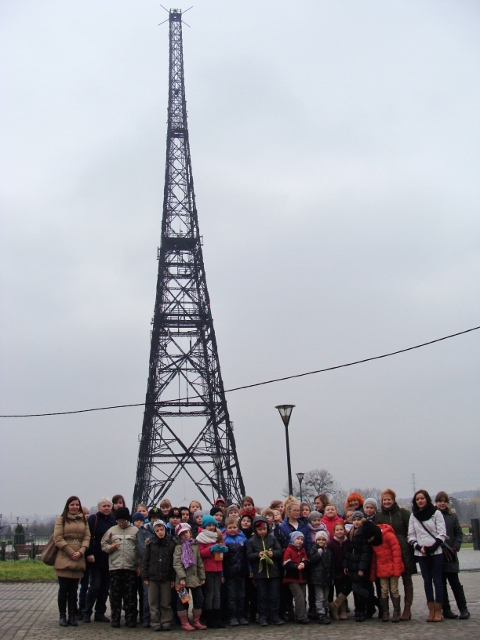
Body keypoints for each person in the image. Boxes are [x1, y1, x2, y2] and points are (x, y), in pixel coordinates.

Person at [375, 488, 416, 620]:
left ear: (393, 500)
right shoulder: (379, 516)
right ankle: (389, 611)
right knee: (388, 584)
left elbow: (411, 530)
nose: (387, 502)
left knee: (406, 579)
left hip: (404, 550)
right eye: (384, 500)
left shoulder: (403, 513)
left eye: (389, 499)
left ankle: (407, 609)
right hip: (387, 553)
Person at [408, 489, 446, 622]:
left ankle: (438, 609)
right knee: (427, 581)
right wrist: (418, 546)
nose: (420, 501)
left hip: (436, 551)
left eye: (422, 498)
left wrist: (433, 546)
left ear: (427, 499)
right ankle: (431, 609)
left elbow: (442, 532)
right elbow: (411, 535)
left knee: (437, 580)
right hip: (421, 552)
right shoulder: (413, 516)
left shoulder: (436, 513)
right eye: (417, 499)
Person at [53, 496, 90, 627]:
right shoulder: (61, 520)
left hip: (78, 557)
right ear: (67, 506)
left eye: (77, 505)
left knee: (74, 589)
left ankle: (72, 615)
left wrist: (81, 551)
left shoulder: (84, 521)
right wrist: (70, 551)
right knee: (63, 589)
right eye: (72, 504)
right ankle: (62, 615)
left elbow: (87, 537)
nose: (75, 507)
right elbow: (57, 538)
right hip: (64, 557)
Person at [101, 507, 140, 628]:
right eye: (119, 521)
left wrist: (139, 565)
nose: (121, 523)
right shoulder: (112, 530)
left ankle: (130, 617)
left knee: (131, 594)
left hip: (130, 567)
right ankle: (115, 617)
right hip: (115, 567)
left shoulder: (135, 531)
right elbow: (103, 544)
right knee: (115, 594)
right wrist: (110, 548)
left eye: (123, 520)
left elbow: (141, 549)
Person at [435, 491, 470, 619]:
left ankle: (463, 608)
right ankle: (446, 609)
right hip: (437, 554)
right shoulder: (432, 516)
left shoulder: (452, 517)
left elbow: (458, 533)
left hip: (451, 554)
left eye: (444, 501)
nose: (442, 503)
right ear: (436, 502)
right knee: (441, 583)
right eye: (440, 501)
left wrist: (455, 547)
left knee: (455, 583)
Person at [82, 497, 116, 623]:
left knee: (105, 587)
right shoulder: (93, 519)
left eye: (108, 506)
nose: (106, 508)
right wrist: (89, 552)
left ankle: (100, 613)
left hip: (109, 558)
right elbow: (88, 536)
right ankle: (86, 611)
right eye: (104, 506)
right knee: (95, 586)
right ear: (99, 507)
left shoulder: (113, 520)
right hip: (95, 558)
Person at [247, 516, 284, 627]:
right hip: (260, 573)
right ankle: (263, 616)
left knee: (274, 595)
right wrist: (258, 555)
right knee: (262, 596)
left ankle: (274, 616)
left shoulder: (272, 539)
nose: (262, 531)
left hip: (273, 572)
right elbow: (248, 555)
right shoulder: (252, 541)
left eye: (264, 529)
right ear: (255, 530)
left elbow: (279, 551)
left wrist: (273, 554)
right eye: (260, 530)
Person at [142, 519, 176, 631]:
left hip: (166, 576)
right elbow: (145, 561)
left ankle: (166, 621)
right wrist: (145, 576)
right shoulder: (150, 543)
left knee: (166, 601)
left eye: (162, 529)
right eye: (157, 530)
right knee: (153, 602)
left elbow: (173, 562)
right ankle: (155, 621)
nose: (160, 532)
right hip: (153, 577)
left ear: (165, 530)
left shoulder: (171, 544)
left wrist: (172, 578)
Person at [368, 519, 404, 622]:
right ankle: (385, 611)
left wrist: (397, 570)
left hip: (392, 568)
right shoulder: (374, 541)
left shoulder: (388, 535)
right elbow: (374, 560)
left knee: (394, 589)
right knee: (383, 590)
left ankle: (396, 611)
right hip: (382, 569)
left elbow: (396, 553)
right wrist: (372, 575)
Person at [172, 523, 206, 631]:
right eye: (182, 534)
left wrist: (202, 577)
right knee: (183, 601)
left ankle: (196, 620)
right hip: (182, 579)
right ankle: (184, 622)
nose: (185, 535)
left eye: (186, 532)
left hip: (194, 578)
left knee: (199, 598)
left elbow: (199, 562)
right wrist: (182, 577)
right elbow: (176, 563)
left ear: (190, 532)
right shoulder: (178, 547)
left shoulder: (195, 546)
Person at [197, 514, 228, 628]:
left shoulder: (218, 536)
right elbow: (200, 553)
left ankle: (217, 617)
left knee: (217, 594)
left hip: (218, 568)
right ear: (204, 526)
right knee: (210, 594)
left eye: (213, 525)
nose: (211, 527)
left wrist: (223, 549)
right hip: (208, 569)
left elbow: (223, 549)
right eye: (209, 525)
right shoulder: (201, 538)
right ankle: (210, 618)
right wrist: (210, 549)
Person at [343, 511, 372, 622]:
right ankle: (358, 609)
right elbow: (348, 551)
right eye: (354, 520)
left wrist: (361, 568)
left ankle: (363, 609)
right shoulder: (351, 533)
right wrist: (345, 564)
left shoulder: (364, 533)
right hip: (352, 565)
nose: (356, 522)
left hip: (360, 565)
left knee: (360, 590)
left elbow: (366, 553)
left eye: (358, 520)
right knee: (356, 590)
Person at [222, 516, 249, 626]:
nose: (232, 529)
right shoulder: (224, 540)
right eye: (230, 527)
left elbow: (246, 556)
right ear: (226, 528)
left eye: (234, 527)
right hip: (230, 572)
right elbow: (222, 560)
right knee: (232, 596)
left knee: (242, 595)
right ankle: (233, 616)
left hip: (241, 571)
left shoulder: (243, 539)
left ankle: (241, 615)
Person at [282, 532, 310, 624]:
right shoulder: (289, 550)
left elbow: (305, 559)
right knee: (299, 597)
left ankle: (300, 614)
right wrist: (295, 566)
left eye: (302, 539)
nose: (300, 541)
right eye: (298, 539)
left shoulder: (302, 550)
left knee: (303, 595)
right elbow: (286, 562)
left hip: (302, 577)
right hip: (292, 578)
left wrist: (304, 563)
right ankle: (301, 616)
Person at [308, 530, 333, 624]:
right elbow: (311, 560)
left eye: (323, 539)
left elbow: (331, 565)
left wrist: (332, 577)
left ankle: (324, 610)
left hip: (326, 578)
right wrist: (318, 554)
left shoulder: (328, 552)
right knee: (320, 596)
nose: (321, 541)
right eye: (319, 540)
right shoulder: (313, 550)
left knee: (326, 596)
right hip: (317, 578)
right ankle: (320, 613)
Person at [328, 522, 350, 620]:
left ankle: (337, 606)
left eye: (341, 530)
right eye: (337, 530)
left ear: (345, 531)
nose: (339, 532)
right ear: (334, 532)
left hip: (346, 569)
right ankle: (340, 610)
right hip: (335, 570)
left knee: (346, 589)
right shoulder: (331, 544)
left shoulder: (348, 542)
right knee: (338, 589)